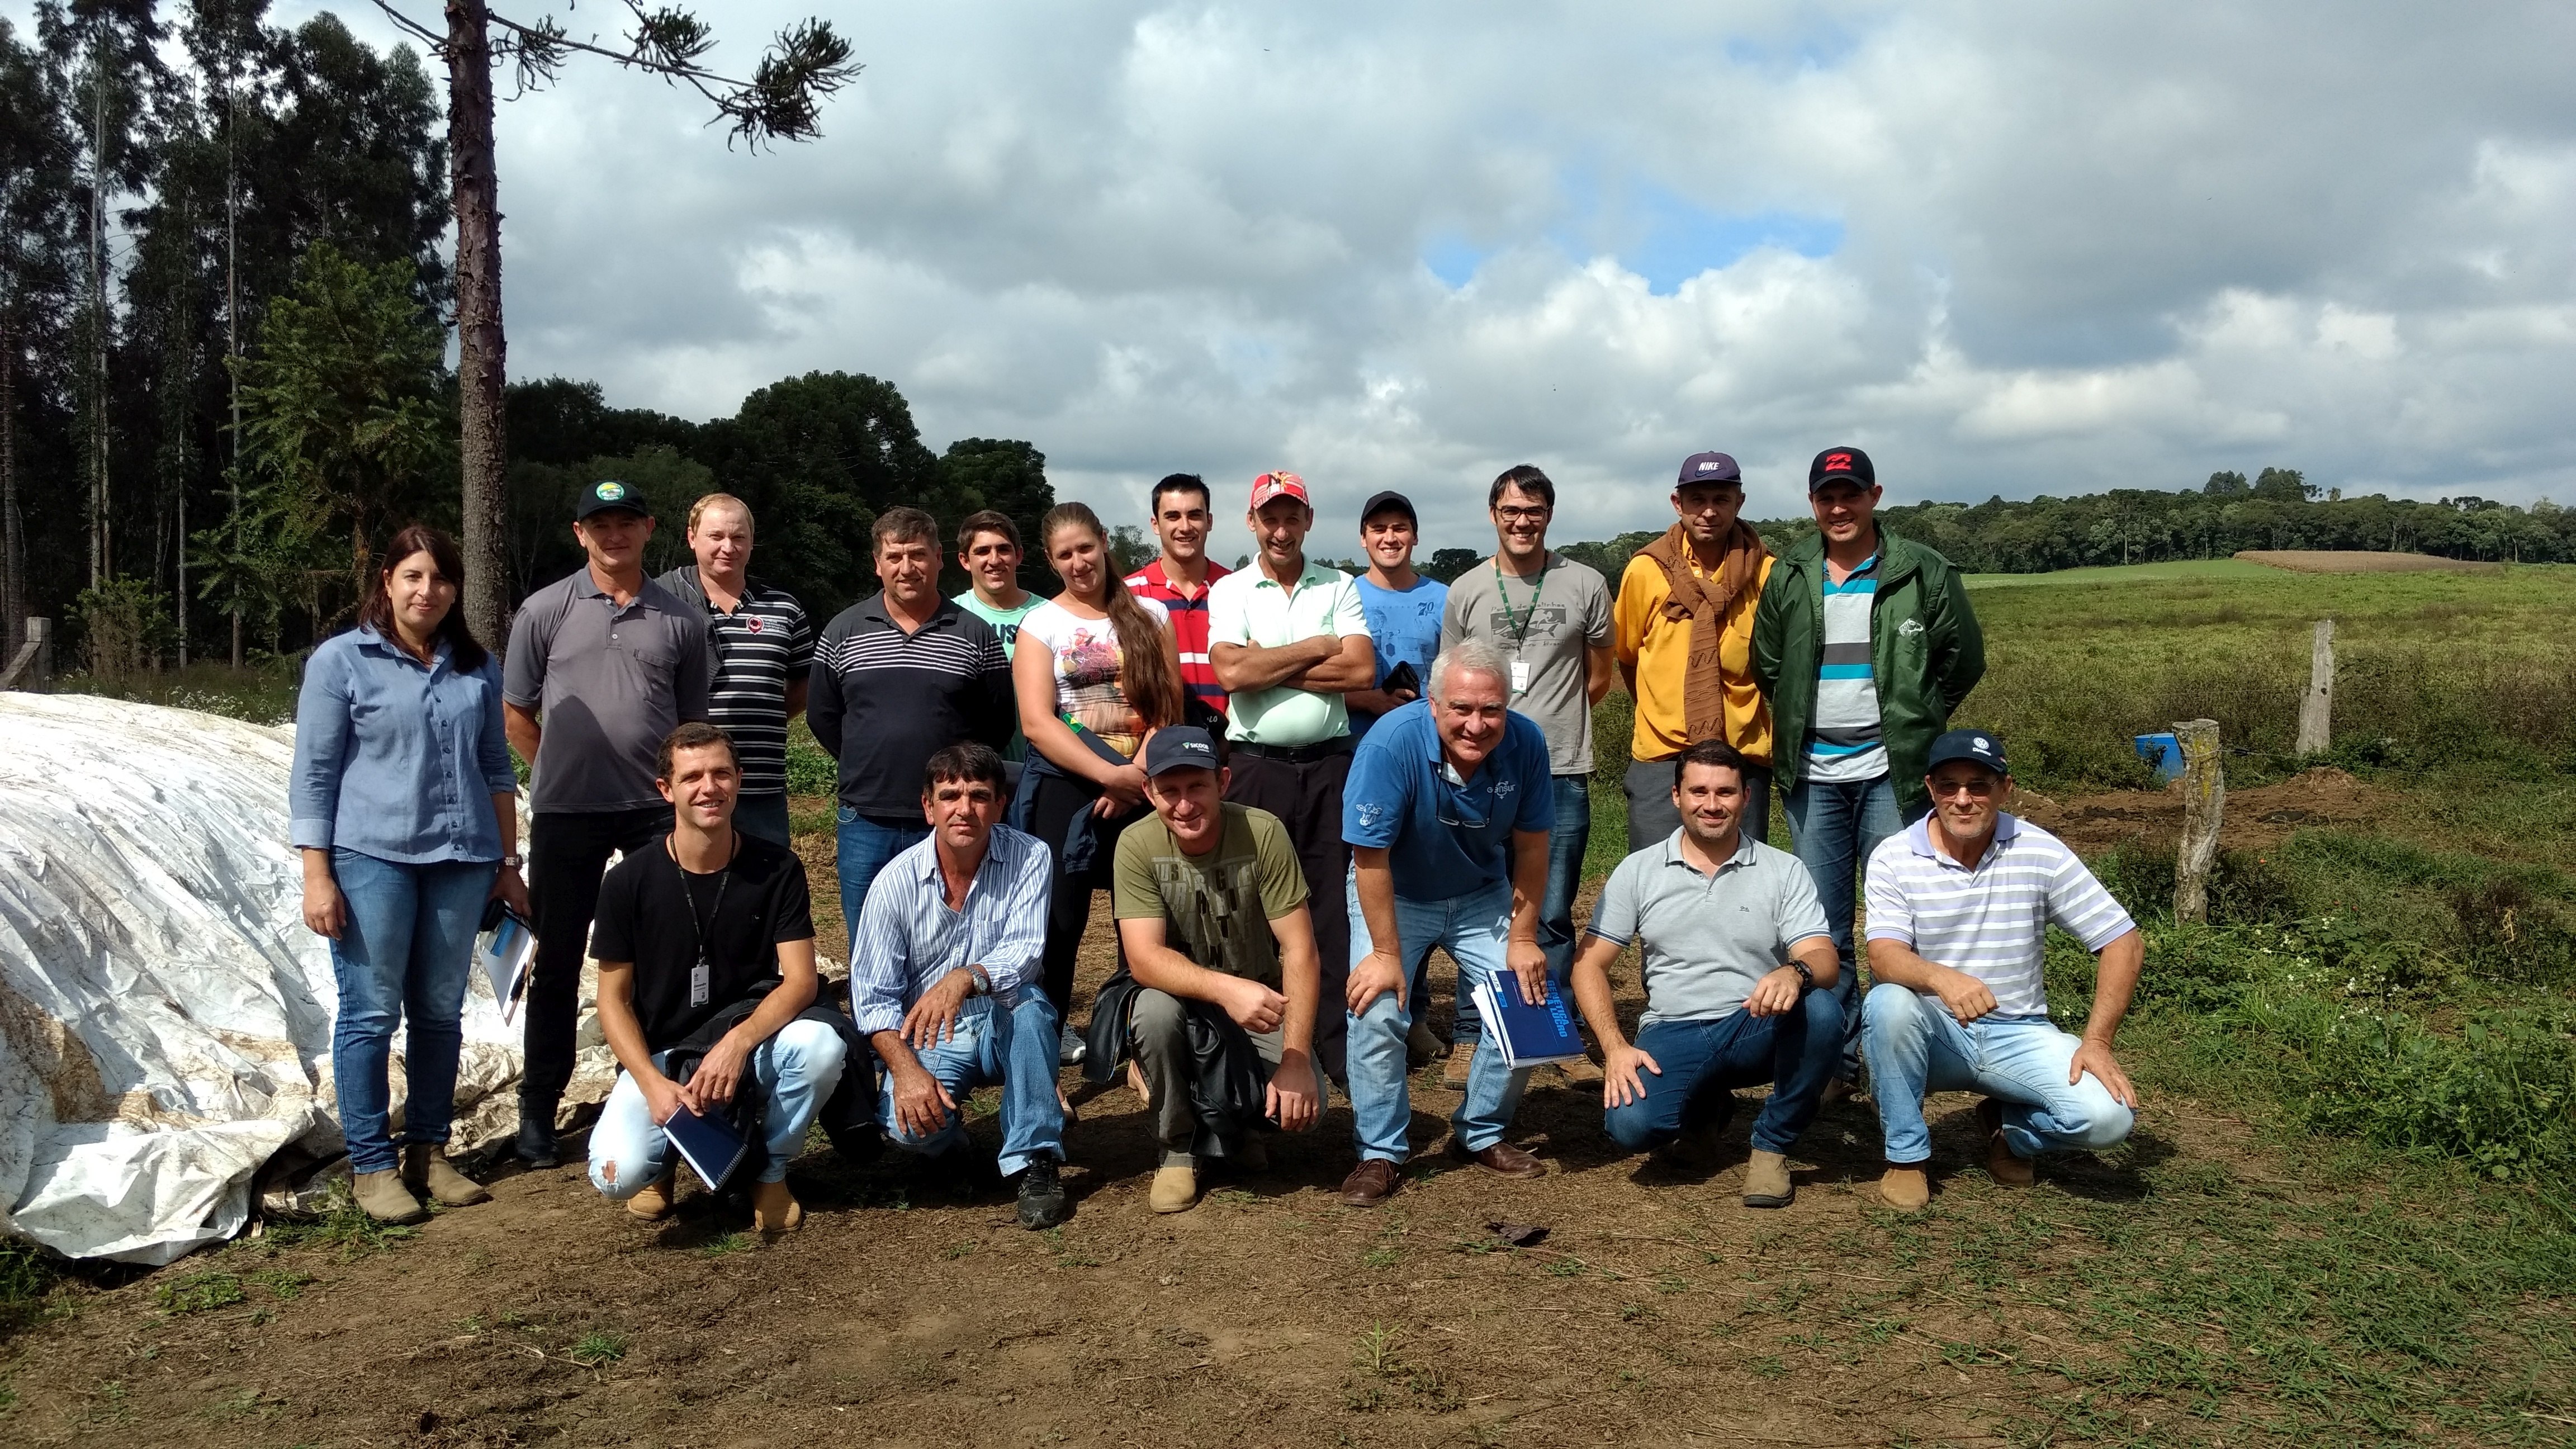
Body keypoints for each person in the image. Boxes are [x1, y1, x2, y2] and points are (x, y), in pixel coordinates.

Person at [292, 524, 524, 1223]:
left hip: (461, 861)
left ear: (457, 590)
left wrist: (507, 863)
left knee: (439, 1012)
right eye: (414, 577)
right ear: (387, 581)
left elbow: (494, 767)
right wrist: (317, 874)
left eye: (442, 580)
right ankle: (372, 1166)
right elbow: (316, 773)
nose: (428, 591)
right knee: (369, 1011)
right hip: (373, 861)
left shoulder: (475, 666)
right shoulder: (342, 662)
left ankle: (429, 1150)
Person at [1751, 446, 1985, 1094]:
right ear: (1812, 503)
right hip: (1814, 773)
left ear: (1874, 496)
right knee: (1823, 928)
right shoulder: (1792, 573)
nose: (1838, 507)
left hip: (1892, 772)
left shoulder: (1922, 569)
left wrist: (1915, 712)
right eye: (1827, 496)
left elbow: (1962, 659)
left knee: (1894, 921)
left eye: (1850, 494)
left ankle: (1899, 1061)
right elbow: (1768, 661)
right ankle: (1836, 1061)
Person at [503, 479, 717, 1166]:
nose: (613, 535)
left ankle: (657, 1089)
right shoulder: (545, 610)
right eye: (600, 525)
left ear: (648, 529)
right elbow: (516, 711)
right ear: (580, 534)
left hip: (655, 813)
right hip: (568, 814)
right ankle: (538, 1112)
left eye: (626, 523)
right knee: (559, 960)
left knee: (666, 954)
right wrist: (559, 767)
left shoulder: (680, 620)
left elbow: (691, 726)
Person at [1859, 730, 2142, 1211]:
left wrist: (2096, 1042)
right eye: (1949, 786)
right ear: (1930, 788)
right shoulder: (1894, 856)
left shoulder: (2040, 850)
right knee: (1887, 1002)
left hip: (2020, 1031)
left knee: (2109, 1120)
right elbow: (1884, 956)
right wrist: (1942, 979)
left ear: (2005, 788)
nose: (1963, 800)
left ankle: (2010, 1133)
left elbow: (2123, 940)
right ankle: (1906, 1158)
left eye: (1979, 785)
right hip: (1935, 1033)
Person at [585, 724, 849, 1232]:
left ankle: (767, 1173)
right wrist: (652, 1084)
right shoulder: (627, 883)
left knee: (821, 1047)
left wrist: (738, 1042)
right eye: (692, 777)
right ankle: (662, 1165)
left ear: (740, 780)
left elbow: (800, 981)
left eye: (721, 773)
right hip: (664, 1054)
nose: (710, 788)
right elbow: (612, 1002)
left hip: (745, 1040)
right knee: (618, 1177)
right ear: (667, 790)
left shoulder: (777, 868)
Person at [1569, 740, 1841, 1209]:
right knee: (1632, 1128)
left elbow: (1824, 958)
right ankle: (1705, 1106)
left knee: (1820, 1009)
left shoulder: (1784, 870)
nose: (1711, 805)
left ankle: (1771, 1146)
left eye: (1725, 792)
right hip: (1674, 1027)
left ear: (1746, 799)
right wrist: (1614, 1048)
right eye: (1698, 791)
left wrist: (1794, 972)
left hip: (1754, 1022)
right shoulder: (1638, 871)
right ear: (1676, 796)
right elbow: (1588, 963)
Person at [1337, 639, 1555, 1206]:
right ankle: (1379, 1152)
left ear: (1509, 706)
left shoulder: (1527, 743)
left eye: (1491, 710)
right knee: (1378, 1006)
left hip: (1482, 893)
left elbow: (1533, 849)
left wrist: (1525, 938)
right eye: (1461, 708)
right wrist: (1385, 955)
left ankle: (1480, 1131)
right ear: (1433, 704)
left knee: (1529, 1004)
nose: (1477, 725)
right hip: (1393, 892)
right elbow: (1370, 857)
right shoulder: (1390, 744)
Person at [1089, 727, 1325, 1214]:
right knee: (1153, 1015)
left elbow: (1300, 950)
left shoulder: (1263, 832)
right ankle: (1177, 1145)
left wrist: (1298, 1059)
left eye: (1196, 787)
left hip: (1255, 1000)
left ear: (1222, 781)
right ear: (1150, 791)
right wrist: (1224, 989)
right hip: (1176, 998)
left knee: (1307, 1105)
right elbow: (1144, 959)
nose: (1184, 804)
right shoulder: (1135, 844)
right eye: (1169, 791)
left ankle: (1234, 1129)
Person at [1439, 464, 1614, 1085]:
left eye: (1533, 511)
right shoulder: (1465, 591)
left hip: (1560, 768)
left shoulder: (1586, 583)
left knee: (1552, 910)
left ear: (1549, 516)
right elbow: (1452, 677)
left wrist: (1547, 731)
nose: (1522, 522)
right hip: (1478, 771)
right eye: (1511, 511)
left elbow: (1599, 675)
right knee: (1479, 907)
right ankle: (1470, 1032)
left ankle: (1552, 1032)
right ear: (1494, 515)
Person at [849, 743, 1071, 1229]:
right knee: (907, 1131)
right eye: (950, 796)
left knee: (1032, 1009)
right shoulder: (893, 884)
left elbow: (1026, 952)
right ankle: (951, 1144)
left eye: (978, 795)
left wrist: (964, 978)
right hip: (930, 1035)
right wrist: (905, 1072)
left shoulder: (1030, 856)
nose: (964, 809)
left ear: (1000, 804)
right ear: (929, 807)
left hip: (1001, 1016)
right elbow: (873, 1000)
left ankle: (1037, 1159)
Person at [1205, 471, 1375, 1077]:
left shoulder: (1340, 583)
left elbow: (1359, 673)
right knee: (1251, 905)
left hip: (1329, 764)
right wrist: (1318, 644)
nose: (1281, 530)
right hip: (1255, 767)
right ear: (1252, 523)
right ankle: (1257, 1045)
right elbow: (1229, 673)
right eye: (1269, 518)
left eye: (1292, 517)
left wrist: (1265, 665)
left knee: (1329, 903)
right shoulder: (1231, 589)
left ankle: (1331, 1046)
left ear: (1308, 521)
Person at [1012, 501, 1185, 1044]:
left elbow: (1169, 708)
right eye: (1065, 555)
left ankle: (1137, 1049)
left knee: (1142, 928)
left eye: (1085, 548)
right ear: (1050, 560)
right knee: (1057, 930)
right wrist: (1107, 776)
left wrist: (1136, 773)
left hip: (1143, 785)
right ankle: (1044, 1059)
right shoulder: (1041, 624)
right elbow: (1038, 722)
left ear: (1105, 542)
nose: (1079, 562)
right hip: (1067, 790)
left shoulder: (1151, 616)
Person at [809, 507, 1016, 945]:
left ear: (940, 558)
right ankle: (877, 1017)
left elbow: (997, 722)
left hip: (950, 818)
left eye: (918, 555)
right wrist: (867, 759)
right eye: (895, 557)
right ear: (877, 563)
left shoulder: (975, 634)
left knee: (950, 936)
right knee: (869, 939)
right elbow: (822, 716)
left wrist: (959, 781)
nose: (907, 568)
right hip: (866, 816)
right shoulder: (843, 630)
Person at [1614, 451, 1775, 854]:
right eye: (1697, 500)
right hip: (1662, 755)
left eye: (1721, 500)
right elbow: (1628, 658)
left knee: (1741, 882)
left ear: (1739, 502)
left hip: (1740, 753)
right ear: (1677, 504)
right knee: (1656, 883)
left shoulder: (1767, 572)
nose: (1708, 511)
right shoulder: (1645, 571)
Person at [653, 493, 814, 849]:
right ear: (692, 538)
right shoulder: (660, 602)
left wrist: (765, 715)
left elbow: (804, 680)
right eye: (716, 536)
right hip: (687, 788)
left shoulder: (784, 608)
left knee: (764, 888)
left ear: (752, 542)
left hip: (761, 788)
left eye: (739, 537)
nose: (728, 547)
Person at [1124, 473, 1233, 723]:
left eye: (1194, 515)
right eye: (1172, 516)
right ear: (1155, 524)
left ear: (1210, 521)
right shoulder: (1128, 595)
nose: (1185, 527)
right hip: (1158, 748)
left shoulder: (1237, 589)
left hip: (1233, 746)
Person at [1345, 490, 1445, 744]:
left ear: (1415, 537)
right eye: (1378, 529)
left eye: (1399, 529)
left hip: (1426, 744)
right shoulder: (1342, 597)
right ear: (1363, 539)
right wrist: (1367, 700)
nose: (1389, 538)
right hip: (1355, 750)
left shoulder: (1445, 599)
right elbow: (1318, 686)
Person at [953, 509, 1041, 761]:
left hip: (1045, 764)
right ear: (964, 560)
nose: (994, 560)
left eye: (1003, 549)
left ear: (1019, 555)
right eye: (982, 551)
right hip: (973, 768)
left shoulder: (1050, 615)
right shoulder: (950, 618)